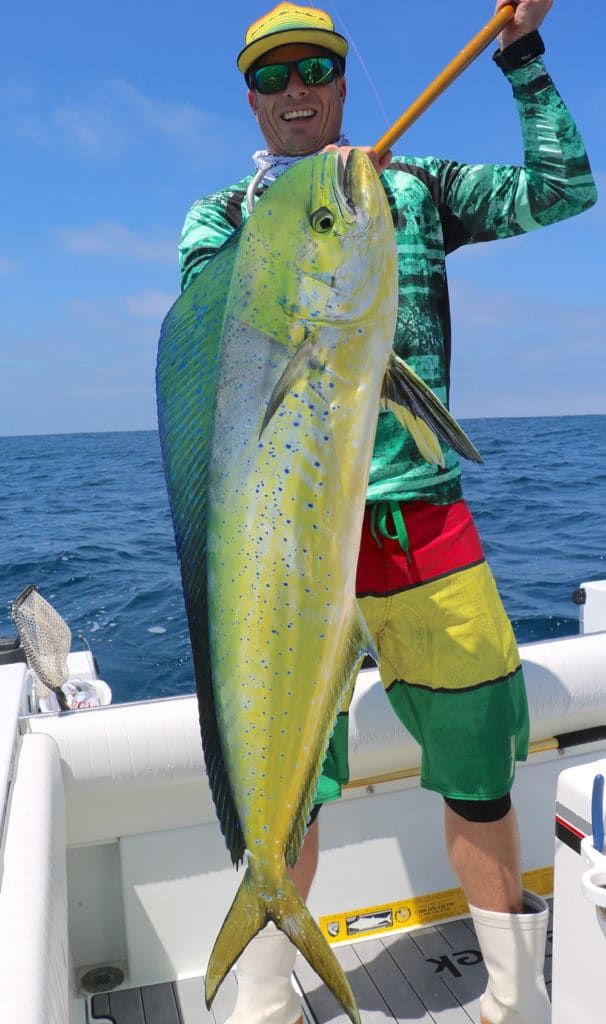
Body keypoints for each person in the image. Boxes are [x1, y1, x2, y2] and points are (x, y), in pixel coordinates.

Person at [178, 3, 597, 1023]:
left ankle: (518, 1000)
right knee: (296, 783)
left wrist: (522, 52)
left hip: (423, 530)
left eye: (314, 67)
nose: (296, 90)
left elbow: (564, 188)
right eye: (273, 77)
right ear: (251, 97)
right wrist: (308, 209)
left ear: (340, 78)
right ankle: (267, 1001)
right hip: (286, 546)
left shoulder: (408, 187)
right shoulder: (221, 220)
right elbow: (218, 359)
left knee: (480, 768)